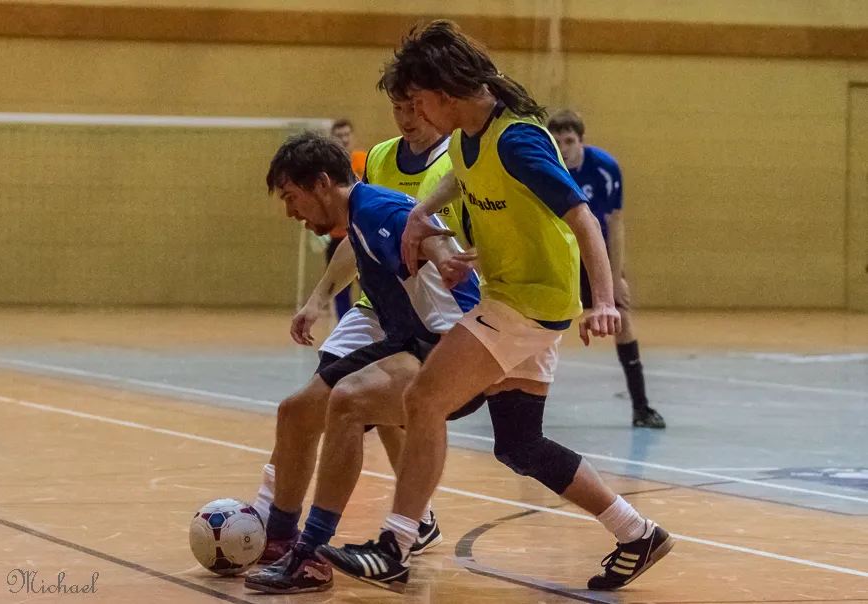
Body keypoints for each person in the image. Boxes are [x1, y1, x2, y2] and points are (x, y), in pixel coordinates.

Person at [318, 20, 673, 593]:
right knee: (520, 444)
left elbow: (583, 216)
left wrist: (603, 300)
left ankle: (396, 544)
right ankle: (637, 532)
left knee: (423, 397)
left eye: (418, 101)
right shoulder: (469, 135)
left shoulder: (517, 140)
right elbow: (463, 178)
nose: (415, 114)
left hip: (530, 301)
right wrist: (421, 212)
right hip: (514, 295)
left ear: (444, 92)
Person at [245, 131, 483, 593]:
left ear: (321, 183)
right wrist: (318, 299)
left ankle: (311, 557)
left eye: (292, 198)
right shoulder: (358, 215)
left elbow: (418, 228)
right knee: (296, 412)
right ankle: (280, 540)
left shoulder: (376, 209)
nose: (291, 212)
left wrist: (445, 258)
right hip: (409, 340)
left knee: (349, 401)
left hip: (453, 349)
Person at [547, 110, 665, 429]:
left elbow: (615, 224)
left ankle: (641, 407)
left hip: (593, 253)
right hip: (558, 255)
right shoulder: (545, 167)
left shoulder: (604, 168)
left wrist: (615, 277)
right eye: (557, 142)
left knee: (622, 319)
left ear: (581, 141)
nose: (563, 149)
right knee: (537, 324)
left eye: (569, 141)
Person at [324, 119, 367, 319]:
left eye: (347, 134)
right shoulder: (325, 169)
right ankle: (344, 325)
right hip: (337, 237)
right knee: (339, 289)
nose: (344, 139)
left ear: (352, 136)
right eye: (339, 136)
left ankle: (373, 326)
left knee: (370, 285)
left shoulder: (364, 160)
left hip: (362, 234)